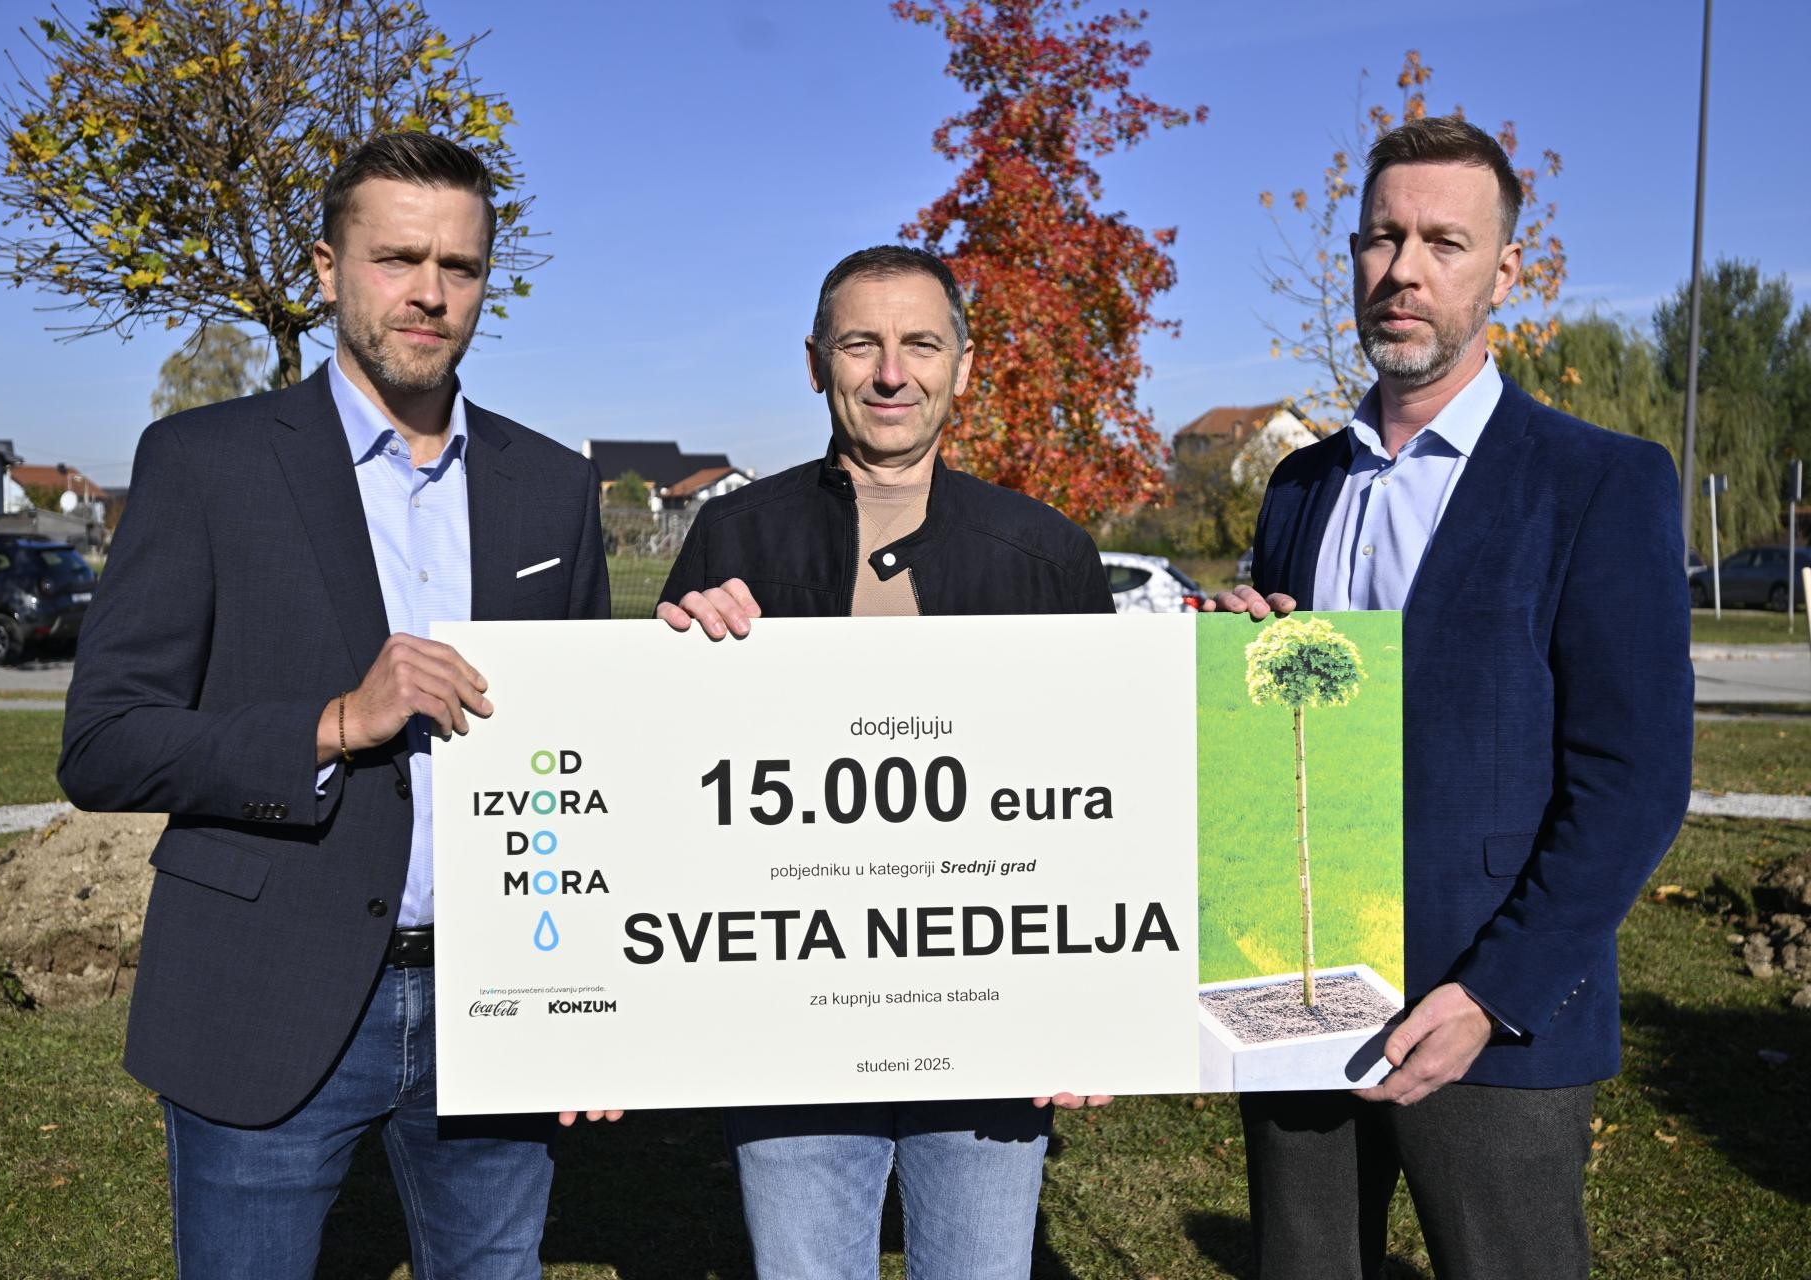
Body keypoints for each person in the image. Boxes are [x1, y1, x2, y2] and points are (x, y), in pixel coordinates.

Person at [58, 133, 611, 1279]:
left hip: (500, 994)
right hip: (264, 985)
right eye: (397, 257)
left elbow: (588, 755)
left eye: (460, 265)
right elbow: (105, 742)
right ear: (326, 267)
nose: (429, 292)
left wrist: (590, 999)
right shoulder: (205, 463)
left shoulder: (553, 486)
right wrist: (333, 723)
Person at [1208, 116, 1692, 1279]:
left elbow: (1632, 783)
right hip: (1302, 990)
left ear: (1504, 272)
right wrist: (1239, 662)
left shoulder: (1601, 482)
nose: (1404, 270)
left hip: (1493, 1015)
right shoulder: (1301, 485)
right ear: (1353, 258)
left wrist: (1494, 992)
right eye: (1382, 238)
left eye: (1444, 241)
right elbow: (1295, 732)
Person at [656, 244, 1112, 1279]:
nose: (892, 373)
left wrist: (1095, 1009)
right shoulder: (733, 534)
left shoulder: (1048, 554)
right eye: (861, 344)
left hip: (993, 1016)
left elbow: (1105, 804)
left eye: (921, 344)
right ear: (816, 362)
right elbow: (671, 784)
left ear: (965, 364)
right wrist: (678, 648)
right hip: (790, 1020)